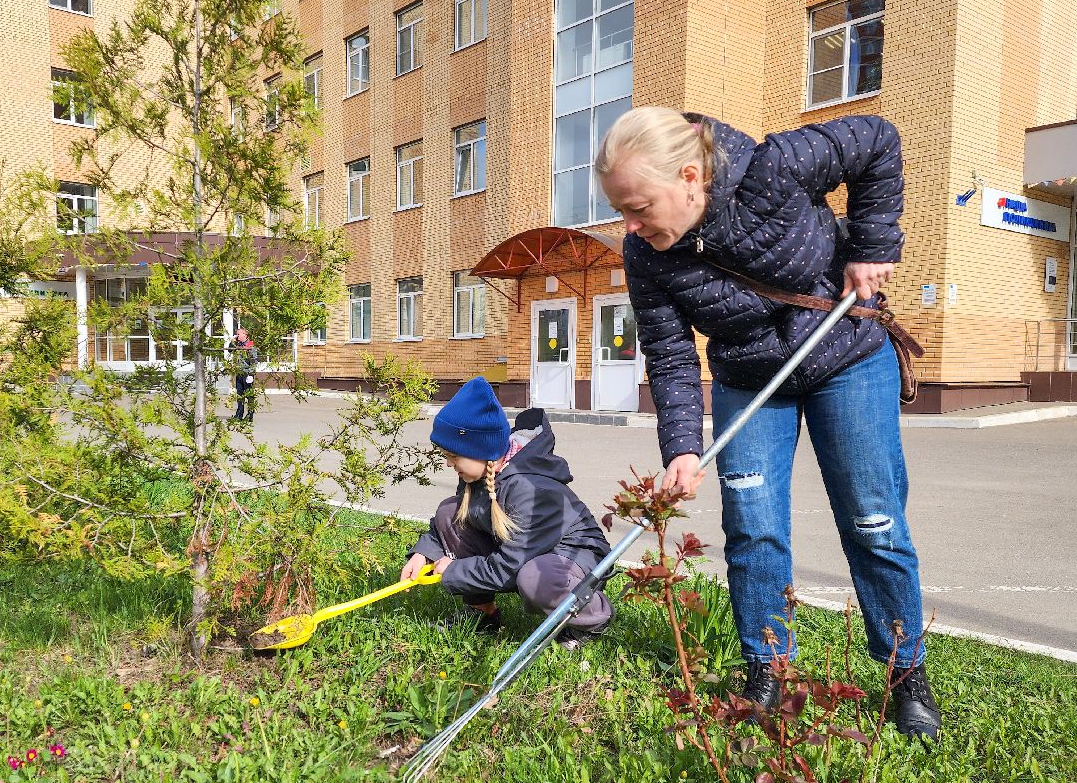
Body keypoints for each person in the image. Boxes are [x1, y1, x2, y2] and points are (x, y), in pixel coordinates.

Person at [595, 107, 940, 738]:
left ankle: (904, 671)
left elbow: (879, 142)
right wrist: (681, 447)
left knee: (873, 519)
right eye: (622, 211)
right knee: (753, 528)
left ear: (691, 177)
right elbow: (671, 355)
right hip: (748, 379)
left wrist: (872, 248)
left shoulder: (770, 169)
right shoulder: (646, 256)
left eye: (638, 206)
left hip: (845, 352)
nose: (630, 226)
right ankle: (768, 670)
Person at [401, 377, 613, 650]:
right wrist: (424, 553)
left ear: (481, 450)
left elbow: (511, 567)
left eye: (455, 457)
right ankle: (481, 613)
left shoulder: (530, 488)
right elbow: (452, 524)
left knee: (537, 577)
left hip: (574, 557)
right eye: (447, 456)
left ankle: (592, 619)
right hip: (527, 551)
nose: (449, 464)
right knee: (449, 513)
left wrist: (454, 570)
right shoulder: (479, 471)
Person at [230, 328, 257, 423]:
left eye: (238, 334)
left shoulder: (250, 345)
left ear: (244, 335)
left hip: (247, 374)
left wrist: (251, 374)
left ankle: (250, 415)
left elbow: (254, 361)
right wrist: (232, 342)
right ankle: (239, 414)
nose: (237, 336)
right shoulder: (238, 345)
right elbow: (230, 350)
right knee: (239, 395)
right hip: (239, 373)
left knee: (249, 395)